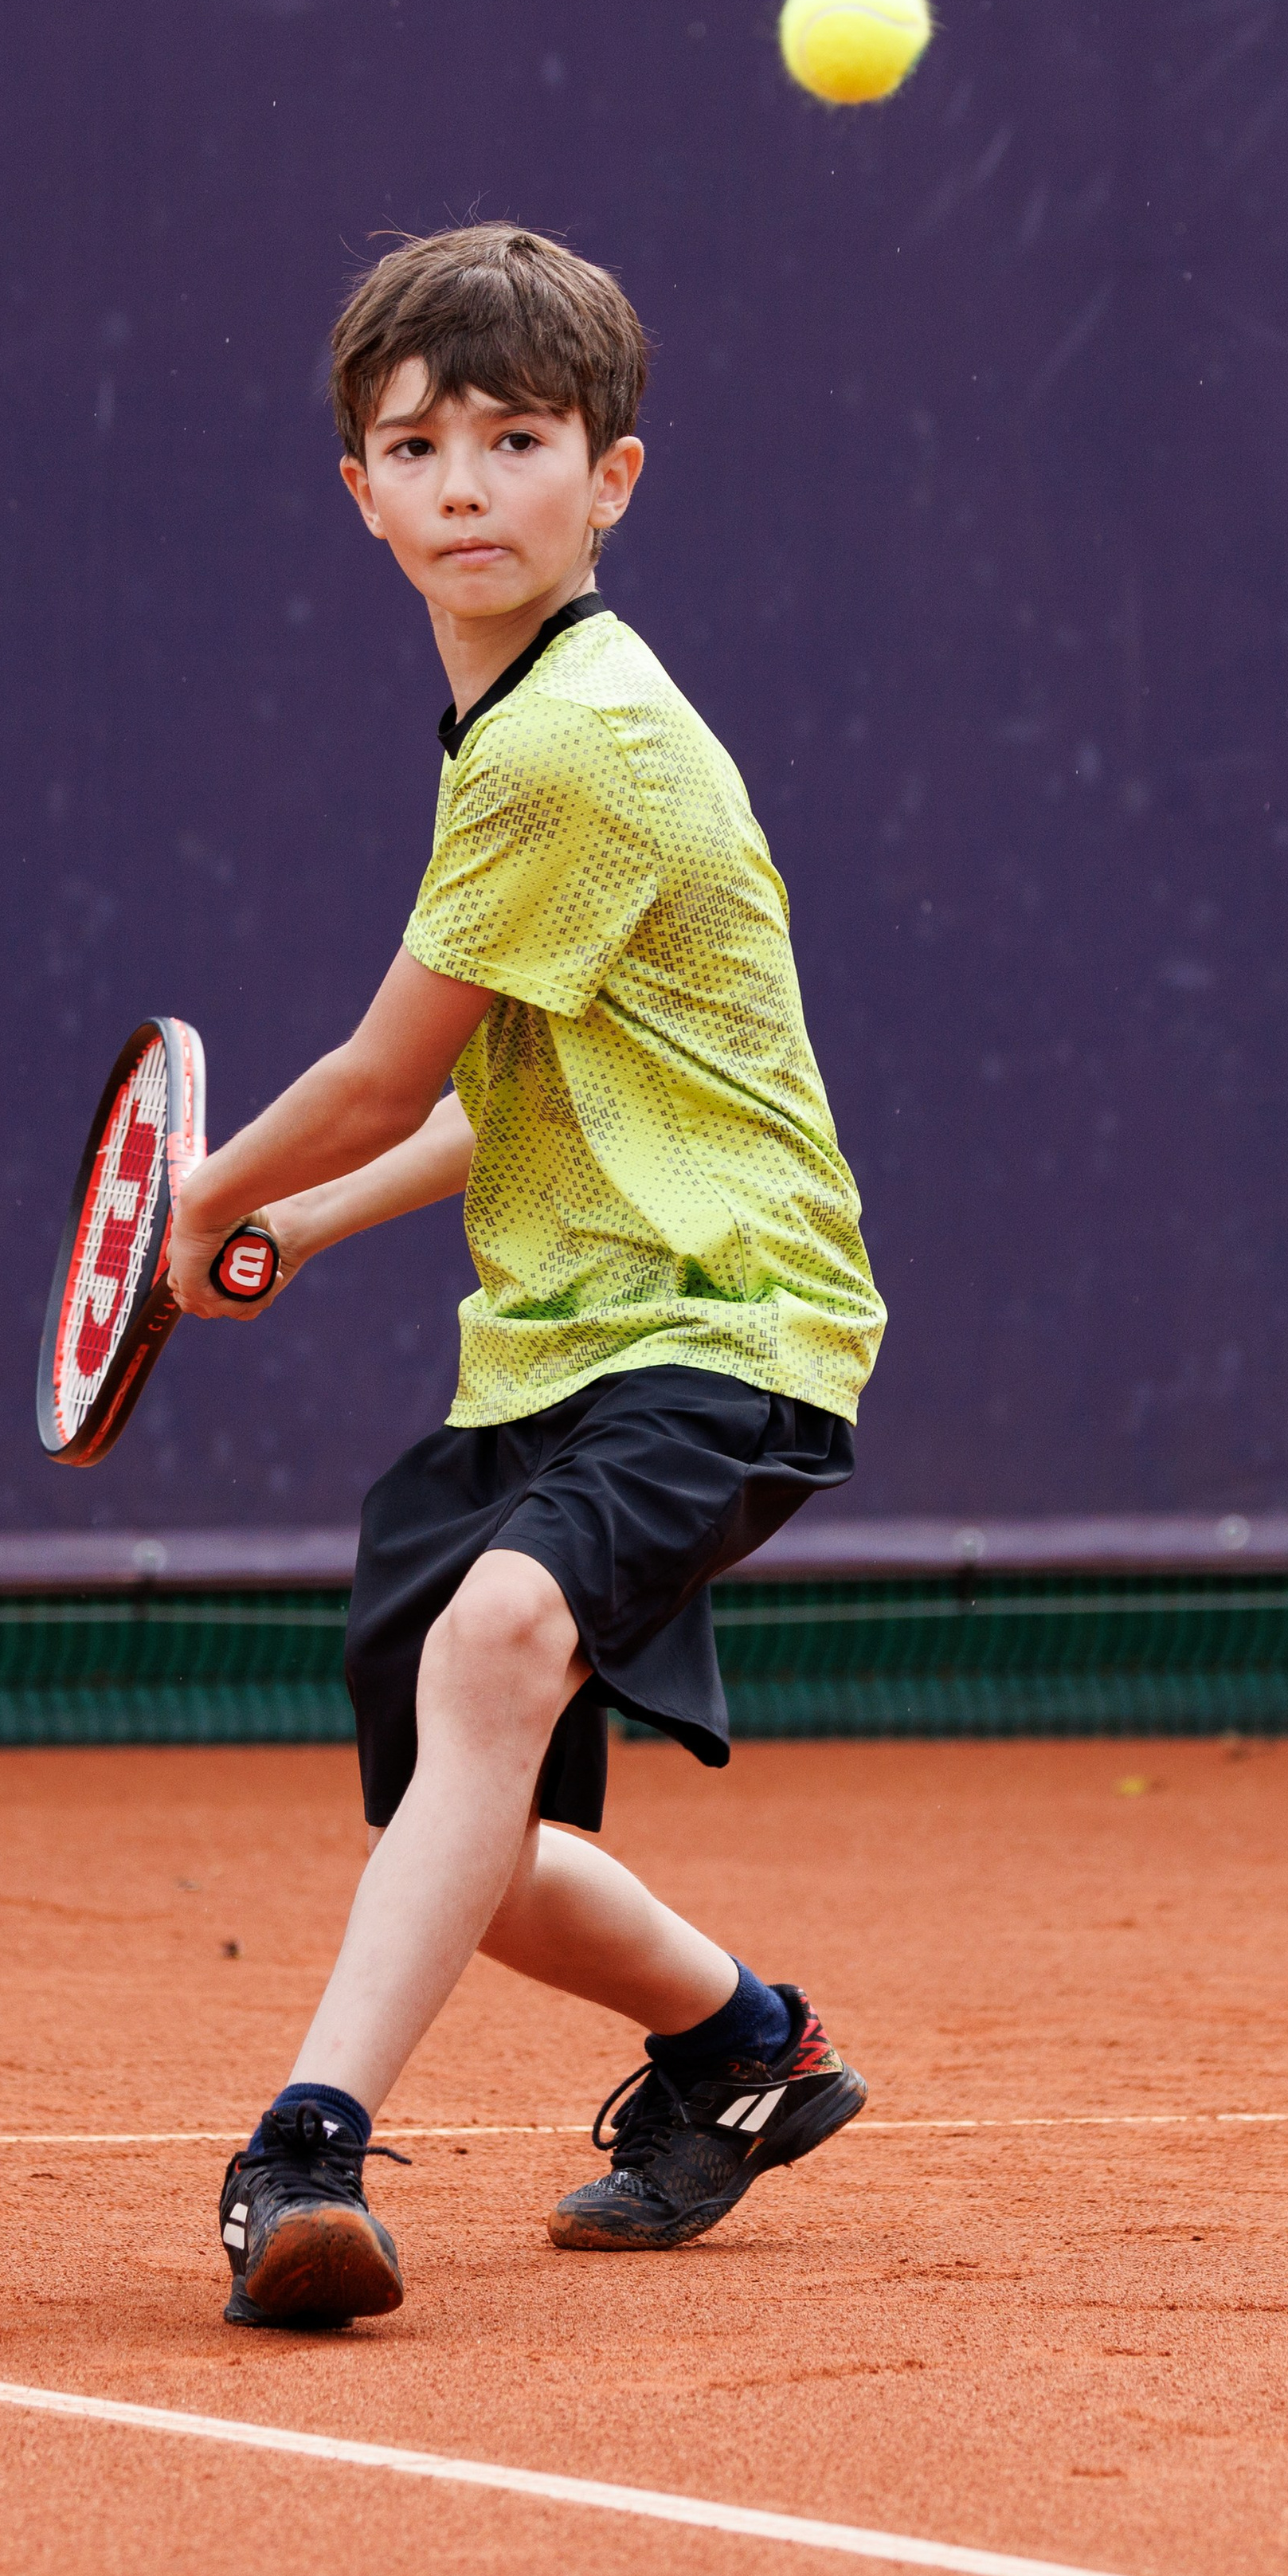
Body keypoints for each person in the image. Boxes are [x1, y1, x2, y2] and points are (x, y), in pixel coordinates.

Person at [167, 223, 885, 2330]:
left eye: (519, 436)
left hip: (725, 1317)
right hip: (552, 1342)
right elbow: (502, 1097)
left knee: (496, 1656)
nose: (468, 480)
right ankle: (747, 2047)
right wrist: (294, 1225)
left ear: (613, 480)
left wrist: (193, 1200)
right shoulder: (512, 741)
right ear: (361, 494)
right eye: (420, 444)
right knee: (462, 1851)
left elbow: (387, 1059)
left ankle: (303, 2143)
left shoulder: (575, 744)